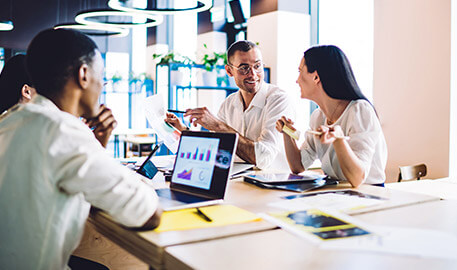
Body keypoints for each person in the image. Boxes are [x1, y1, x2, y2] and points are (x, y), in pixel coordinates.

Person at [0, 28, 162, 269]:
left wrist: (96, 145)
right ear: (83, 74)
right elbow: (148, 213)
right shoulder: (63, 130)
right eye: (102, 76)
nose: (102, 86)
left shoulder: (12, 120)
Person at [165, 40, 294, 170]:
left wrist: (217, 125)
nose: (253, 74)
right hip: (239, 180)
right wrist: (183, 131)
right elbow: (214, 149)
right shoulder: (229, 103)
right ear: (229, 70)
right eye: (244, 68)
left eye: (257, 66)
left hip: (273, 183)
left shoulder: (278, 99)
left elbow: (263, 159)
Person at [276, 45, 387, 187]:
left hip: (367, 194)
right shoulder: (317, 116)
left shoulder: (360, 110)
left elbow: (357, 178)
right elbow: (298, 166)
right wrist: (287, 133)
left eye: (300, 72)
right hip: (335, 191)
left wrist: (338, 140)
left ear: (316, 77)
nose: (297, 80)